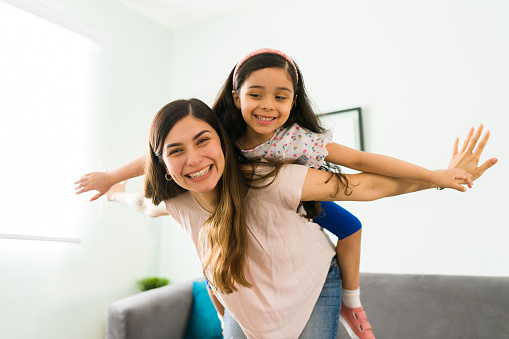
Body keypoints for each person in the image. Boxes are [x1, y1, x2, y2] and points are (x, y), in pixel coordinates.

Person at [74, 48, 496, 339]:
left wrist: (438, 177)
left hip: (309, 276)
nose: (195, 158)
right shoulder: (182, 193)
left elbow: (363, 177)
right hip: (245, 299)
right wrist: (112, 186)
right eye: (177, 152)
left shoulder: (278, 164)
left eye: (203, 143)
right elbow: (145, 196)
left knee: (348, 225)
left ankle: (352, 300)